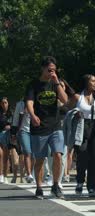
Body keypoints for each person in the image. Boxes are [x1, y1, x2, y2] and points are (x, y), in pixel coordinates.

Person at [25, 56, 68, 199]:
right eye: (49, 70)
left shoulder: (56, 83)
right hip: (39, 127)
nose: (52, 72)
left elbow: (65, 100)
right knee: (40, 160)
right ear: (42, 69)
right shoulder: (33, 85)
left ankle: (55, 185)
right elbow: (30, 102)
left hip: (55, 126)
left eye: (54, 70)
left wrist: (57, 83)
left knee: (58, 155)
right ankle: (39, 187)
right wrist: (32, 115)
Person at [69, 74, 95, 197]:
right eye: (92, 81)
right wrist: (75, 114)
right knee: (82, 156)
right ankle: (79, 181)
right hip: (82, 126)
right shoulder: (78, 97)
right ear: (86, 82)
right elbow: (67, 109)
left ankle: (92, 186)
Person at [12, 99, 34, 183]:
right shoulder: (20, 104)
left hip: (35, 130)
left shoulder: (36, 102)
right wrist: (14, 133)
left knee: (34, 154)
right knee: (27, 152)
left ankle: (32, 173)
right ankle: (29, 175)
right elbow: (15, 119)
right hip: (23, 130)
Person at [0, 97, 13, 183]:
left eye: (5, 102)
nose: (4, 104)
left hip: (8, 136)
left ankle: (5, 175)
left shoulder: (11, 113)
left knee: (6, 156)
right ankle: (0, 174)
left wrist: (10, 127)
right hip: (0, 134)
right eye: (3, 103)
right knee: (0, 154)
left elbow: (16, 123)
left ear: (8, 103)